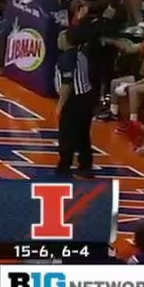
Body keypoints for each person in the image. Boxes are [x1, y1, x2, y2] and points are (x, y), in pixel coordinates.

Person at [55, 28, 98, 178]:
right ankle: (85, 166)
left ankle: (64, 168)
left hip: (75, 100)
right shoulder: (80, 54)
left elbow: (67, 84)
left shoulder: (67, 57)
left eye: (61, 37)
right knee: (82, 135)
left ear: (67, 40)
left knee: (67, 135)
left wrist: (60, 104)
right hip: (87, 98)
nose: (58, 39)